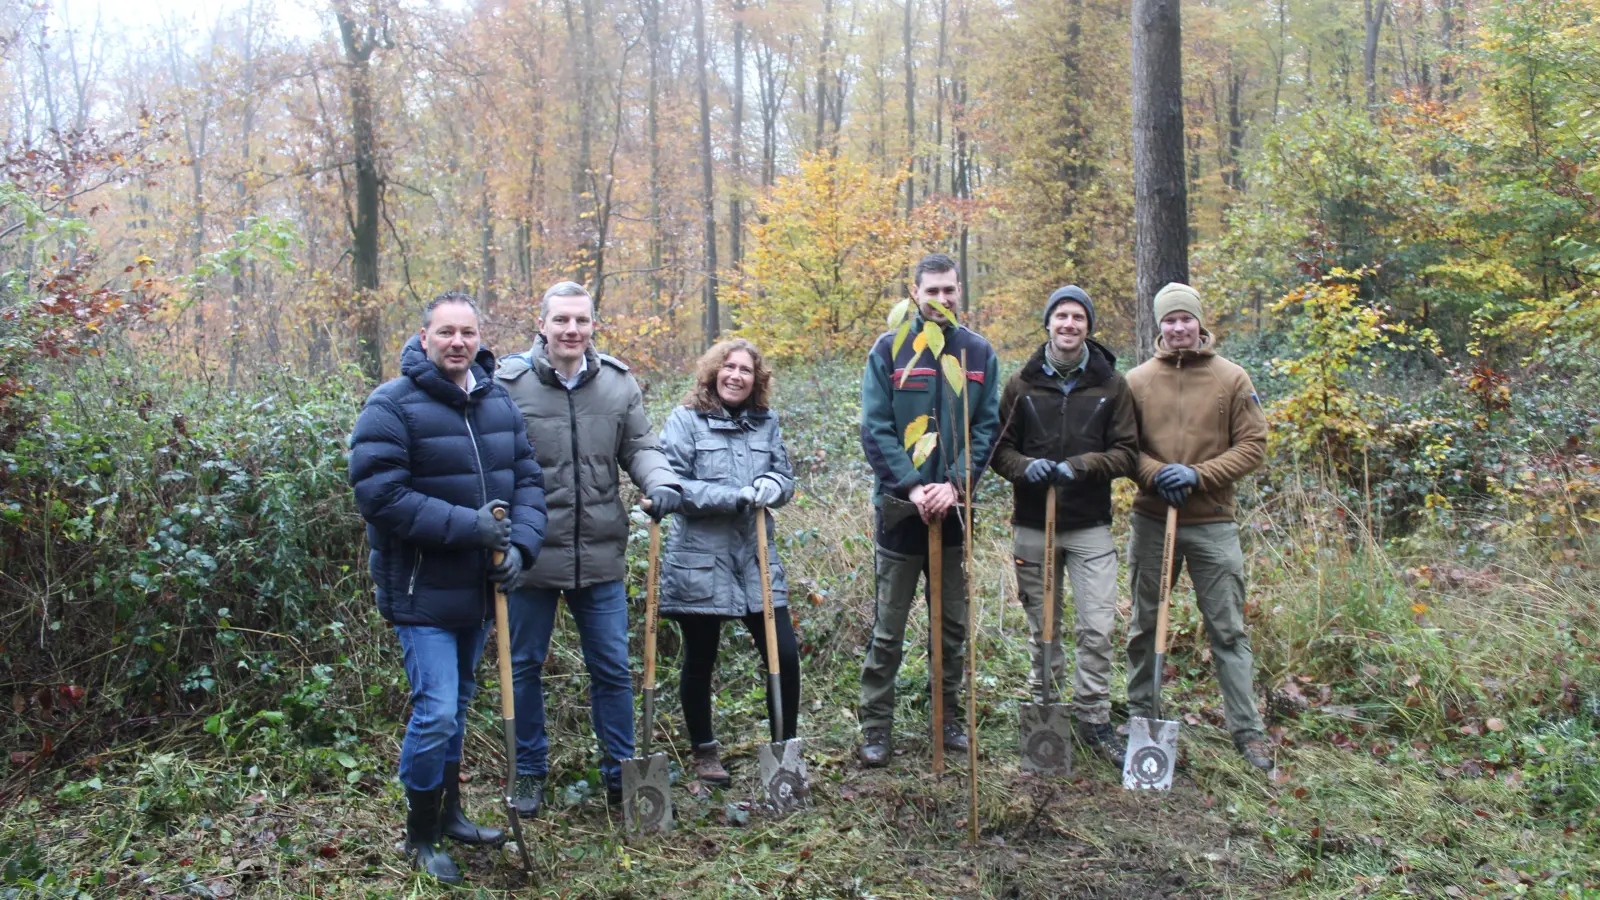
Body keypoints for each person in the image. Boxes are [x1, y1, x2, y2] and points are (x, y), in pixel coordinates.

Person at [348, 291, 547, 884]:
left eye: (467, 332)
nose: (457, 342)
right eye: (446, 332)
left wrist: (521, 546)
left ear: (480, 338)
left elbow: (529, 482)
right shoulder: (391, 405)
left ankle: (452, 814)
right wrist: (470, 527)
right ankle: (421, 833)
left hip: (479, 590)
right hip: (420, 590)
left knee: (456, 708)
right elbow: (380, 496)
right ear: (424, 337)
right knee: (435, 712)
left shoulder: (497, 401)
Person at [495, 281, 682, 815]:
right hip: (529, 554)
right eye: (561, 320)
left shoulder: (618, 384)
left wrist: (661, 481)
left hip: (600, 553)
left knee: (612, 668)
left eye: (581, 320)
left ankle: (621, 775)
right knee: (523, 667)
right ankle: (528, 774)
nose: (571, 330)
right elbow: (490, 458)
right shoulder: (507, 385)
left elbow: (640, 446)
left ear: (593, 325)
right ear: (542, 325)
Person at [857, 252, 1000, 767]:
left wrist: (954, 485)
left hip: (954, 513)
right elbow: (875, 427)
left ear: (959, 291)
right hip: (901, 511)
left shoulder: (978, 353)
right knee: (888, 627)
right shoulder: (890, 349)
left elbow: (986, 427)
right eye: (932, 290)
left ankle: (948, 718)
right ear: (914, 292)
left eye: (949, 290)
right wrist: (915, 486)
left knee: (951, 627)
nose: (941, 299)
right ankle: (876, 726)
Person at [1125, 282, 1273, 772]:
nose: (1178, 328)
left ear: (1199, 322)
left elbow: (1253, 444)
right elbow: (1124, 447)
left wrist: (1197, 475)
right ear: (1159, 325)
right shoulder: (1137, 381)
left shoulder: (1231, 378)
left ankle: (1247, 730)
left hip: (1212, 522)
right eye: (1169, 320)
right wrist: (1155, 474)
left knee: (1227, 629)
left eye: (1185, 318)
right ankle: (1142, 717)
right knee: (1145, 624)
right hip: (1153, 521)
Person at [991, 285, 1138, 767]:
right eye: (1061, 316)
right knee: (1044, 629)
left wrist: (1081, 465)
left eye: (1078, 317)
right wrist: (1025, 467)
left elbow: (1126, 452)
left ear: (1088, 327)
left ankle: (1093, 717)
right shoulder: (1022, 383)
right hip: (1034, 525)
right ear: (1048, 323)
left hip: (1089, 525)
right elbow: (999, 449)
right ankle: (1046, 713)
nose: (1069, 324)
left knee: (1097, 626)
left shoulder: (1112, 385)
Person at [657, 338, 800, 784]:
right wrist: (734, 495)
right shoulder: (685, 420)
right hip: (700, 561)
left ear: (757, 379)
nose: (736, 376)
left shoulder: (766, 422)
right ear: (714, 371)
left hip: (756, 558)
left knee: (784, 655)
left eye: (746, 370)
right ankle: (704, 751)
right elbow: (672, 484)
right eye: (729, 367)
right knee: (701, 658)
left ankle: (784, 750)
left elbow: (785, 476)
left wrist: (774, 485)